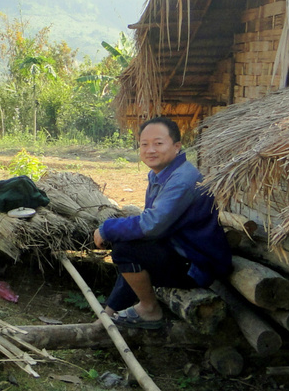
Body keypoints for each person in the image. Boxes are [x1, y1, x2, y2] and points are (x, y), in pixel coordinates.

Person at [94, 116, 232, 327]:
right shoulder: (162, 174)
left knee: (126, 249)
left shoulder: (182, 180)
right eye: (144, 144)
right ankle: (110, 312)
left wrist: (106, 229)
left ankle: (149, 310)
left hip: (197, 266)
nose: (150, 150)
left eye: (158, 143)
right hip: (180, 252)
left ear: (177, 146)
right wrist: (108, 313)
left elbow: (152, 224)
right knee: (131, 247)